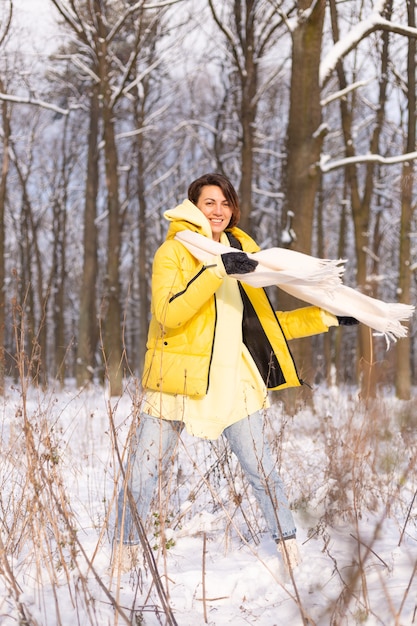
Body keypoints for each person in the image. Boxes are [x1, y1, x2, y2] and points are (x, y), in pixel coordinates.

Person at [114, 173, 357, 575]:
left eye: (225, 203)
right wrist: (216, 272)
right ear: (193, 206)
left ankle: (292, 557)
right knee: (143, 474)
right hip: (178, 382)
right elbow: (168, 314)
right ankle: (121, 557)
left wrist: (327, 316)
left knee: (263, 472)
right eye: (210, 202)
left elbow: (268, 326)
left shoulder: (245, 255)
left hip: (235, 383)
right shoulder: (173, 252)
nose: (219, 210)